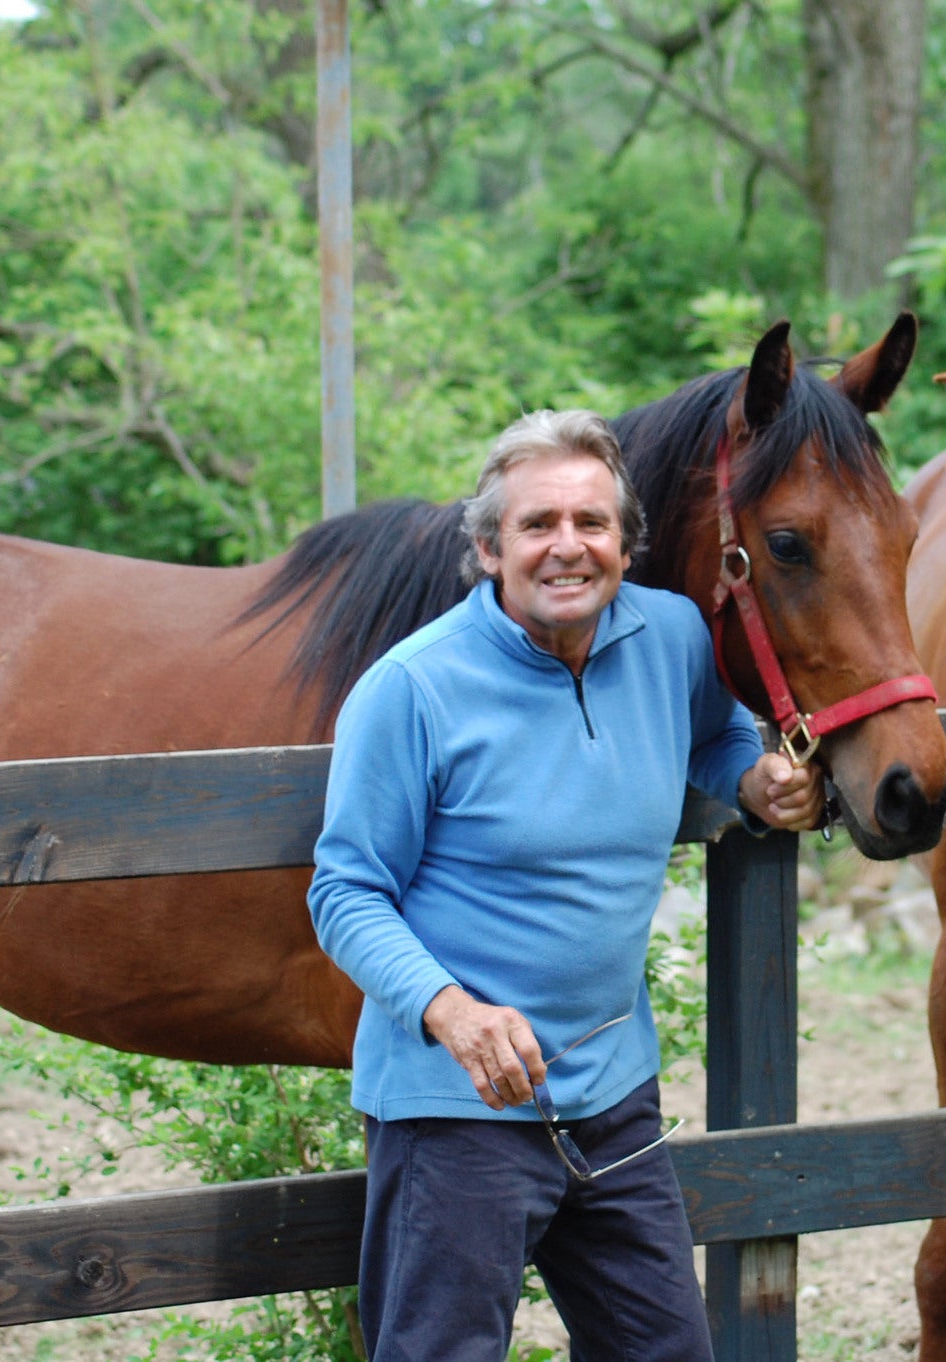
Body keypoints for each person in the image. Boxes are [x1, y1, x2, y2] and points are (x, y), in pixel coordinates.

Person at [308, 408, 821, 1362]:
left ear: (628, 543)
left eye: (590, 523)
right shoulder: (412, 690)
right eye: (537, 524)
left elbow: (713, 734)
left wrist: (750, 781)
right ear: (487, 548)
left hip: (612, 1091)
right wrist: (452, 1011)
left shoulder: (671, 635)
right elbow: (344, 892)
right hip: (460, 1105)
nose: (566, 547)